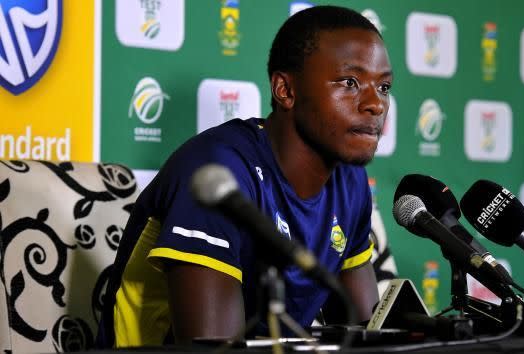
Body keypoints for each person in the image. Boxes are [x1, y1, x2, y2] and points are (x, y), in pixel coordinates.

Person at [97, 5, 393, 347]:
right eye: (350, 82)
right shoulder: (217, 172)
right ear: (285, 90)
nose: (376, 104)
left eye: (384, 87)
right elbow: (215, 348)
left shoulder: (350, 180)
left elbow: (363, 332)